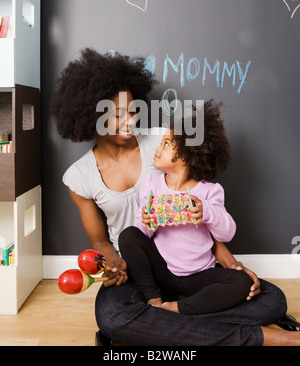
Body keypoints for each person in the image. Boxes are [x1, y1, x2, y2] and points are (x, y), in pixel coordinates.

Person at [52, 48, 299, 346]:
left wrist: (231, 262)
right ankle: (261, 336)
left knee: (271, 300)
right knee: (111, 317)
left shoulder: (163, 140)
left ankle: (151, 325)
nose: (130, 121)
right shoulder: (80, 176)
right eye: (118, 115)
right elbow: (102, 243)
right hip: (139, 268)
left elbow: (201, 204)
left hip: (194, 265)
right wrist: (114, 265)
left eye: (133, 111)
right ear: (90, 114)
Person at [119, 102, 253, 315]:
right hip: (162, 270)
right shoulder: (151, 184)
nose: (158, 148)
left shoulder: (210, 191)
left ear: (186, 155)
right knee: (128, 235)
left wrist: (207, 212)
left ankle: (178, 308)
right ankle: (154, 299)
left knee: (241, 282)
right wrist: (146, 222)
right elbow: (140, 233)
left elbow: (227, 233)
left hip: (199, 275)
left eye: (165, 144)